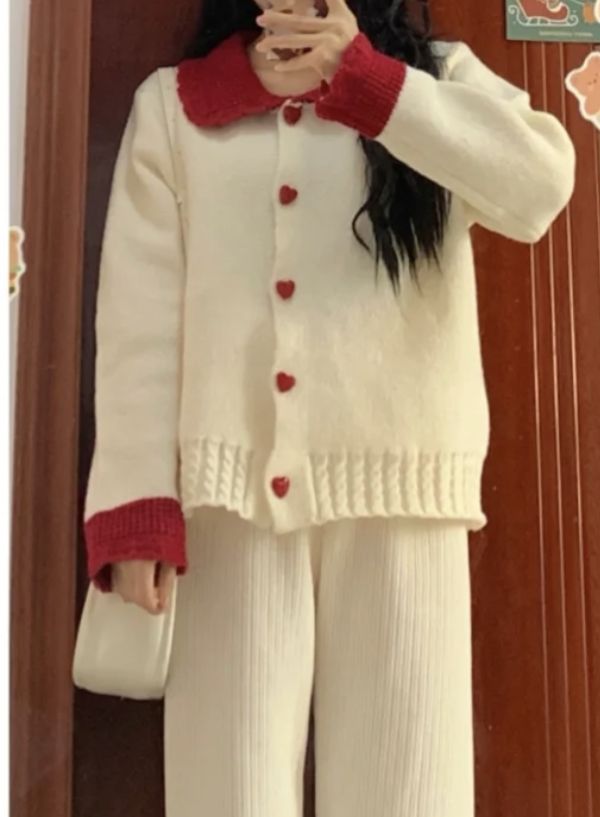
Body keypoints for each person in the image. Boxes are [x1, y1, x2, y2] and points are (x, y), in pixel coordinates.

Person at [82, 1, 576, 815]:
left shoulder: (435, 77)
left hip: (404, 505)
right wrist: (136, 512)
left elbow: (539, 186)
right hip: (229, 508)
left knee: (410, 794)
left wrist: (369, 81)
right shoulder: (177, 105)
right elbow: (138, 327)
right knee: (226, 795)